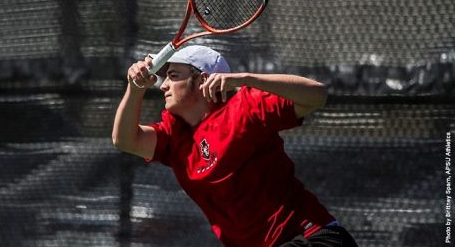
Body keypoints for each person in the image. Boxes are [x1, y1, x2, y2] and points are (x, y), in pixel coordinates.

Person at [112, 45, 358, 247]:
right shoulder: (173, 135)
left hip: (311, 238)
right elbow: (125, 140)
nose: (164, 85)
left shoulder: (245, 107)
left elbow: (317, 95)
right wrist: (134, 89)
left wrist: (245, 78)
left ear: (202, 80)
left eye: (174, 76)